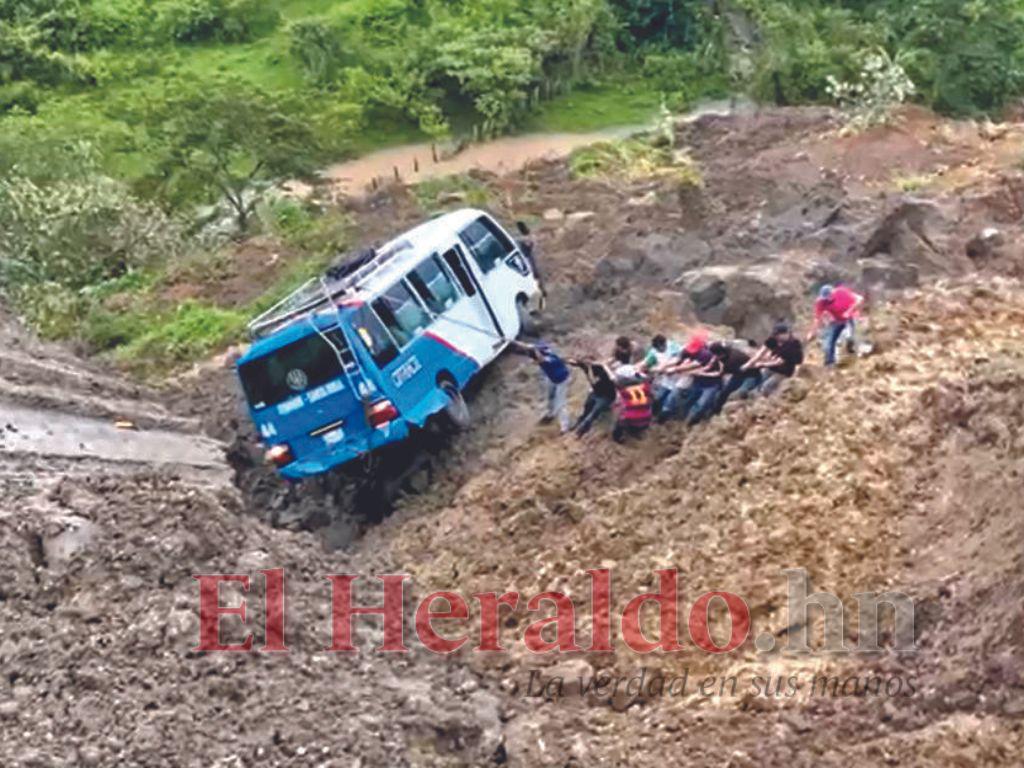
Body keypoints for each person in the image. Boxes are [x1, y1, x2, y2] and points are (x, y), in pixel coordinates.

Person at [658, 331, 723, 425]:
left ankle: (691, 422)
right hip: (696, 380)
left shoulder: (706, 354)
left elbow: (693, 366)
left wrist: (674, 370)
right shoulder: (687, 349)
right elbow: (678, 360)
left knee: (702, 404)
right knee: (683, 397)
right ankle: (671, 416)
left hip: (710, 382)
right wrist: (664, 366)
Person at [510, 340, 571, 433]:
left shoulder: (546, 360)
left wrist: (533, 349)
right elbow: (526, 345)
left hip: (562, 380)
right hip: (552, 379)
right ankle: (551, 414)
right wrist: (515, 342)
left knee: (560, 404)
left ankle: (565, 427)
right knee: (550, 397)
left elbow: (540, 359)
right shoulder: (545, 349)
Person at [808, 284, 865, 366]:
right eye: (825, 298)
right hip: (837, 320)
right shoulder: (821, 302)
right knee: (828, 342)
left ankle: (852, 351)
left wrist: (849, 312)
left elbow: (859, 300)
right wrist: (812, 332)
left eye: (828, 297)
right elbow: (817, 318)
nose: (827, 300)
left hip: (850, 317)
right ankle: (829, 362)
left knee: (849, 337)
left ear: (832, 293)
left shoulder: (841, 292)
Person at [745, 323, 804, 396]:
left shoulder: (793, 344)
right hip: (771, 367)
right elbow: (761, 352)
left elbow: (785, 362)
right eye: (775, 335)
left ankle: (762, 399)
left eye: (778, 335)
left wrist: (761, 364)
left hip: (784, 371)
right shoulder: (773, 339)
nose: (776, 337)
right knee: (757, 380)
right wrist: (750, 363)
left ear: (786, 334)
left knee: (767, 386)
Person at [568, 359, 617, 437]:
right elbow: (579, 363)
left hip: (606, 396)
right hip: (596, 392)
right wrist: (573, 362)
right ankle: (579, 423)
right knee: (587, 406)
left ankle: (581, 431)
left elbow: (610, 378)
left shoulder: (602, 371)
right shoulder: (589, 367)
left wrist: (604, 365)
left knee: (594, 412)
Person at [710, 340, 762, 414]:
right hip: (739, 373)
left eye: (714, 355)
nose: (713, 357)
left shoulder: (733, 359)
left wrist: (718, 370)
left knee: (740, 393)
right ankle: (715, 412)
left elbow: (723, 372)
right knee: (725, 392)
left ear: (719, 354)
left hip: (751, 375)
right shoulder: (727, 351)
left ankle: (736, 412)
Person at [642, 334, 683, 417]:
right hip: (665, 379)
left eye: (659, 349)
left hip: (678, 380)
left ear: (664, 344)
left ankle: (663, 418)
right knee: (658, 398)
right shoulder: (654, 351)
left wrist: (665, 368)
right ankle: (652, 415)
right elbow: (647, 363)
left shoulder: (675, 348)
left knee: (669, 402)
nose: (658, 351)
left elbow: (679, 361)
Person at [611, 366, 653, 444]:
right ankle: (636, 431)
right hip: (646, 418)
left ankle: (617, 439)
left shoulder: (624, 390)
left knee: (619, 416)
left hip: (630, 419)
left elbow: (614, 381)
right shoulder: (646, 387)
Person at [515, 221, 546, 303]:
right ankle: (541, 291)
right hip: (530, 257)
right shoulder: (529, 236)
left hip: (527, 258)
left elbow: (528, 244)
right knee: (536, 274)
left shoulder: (523, 238)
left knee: (534, 275)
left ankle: (540, 292)